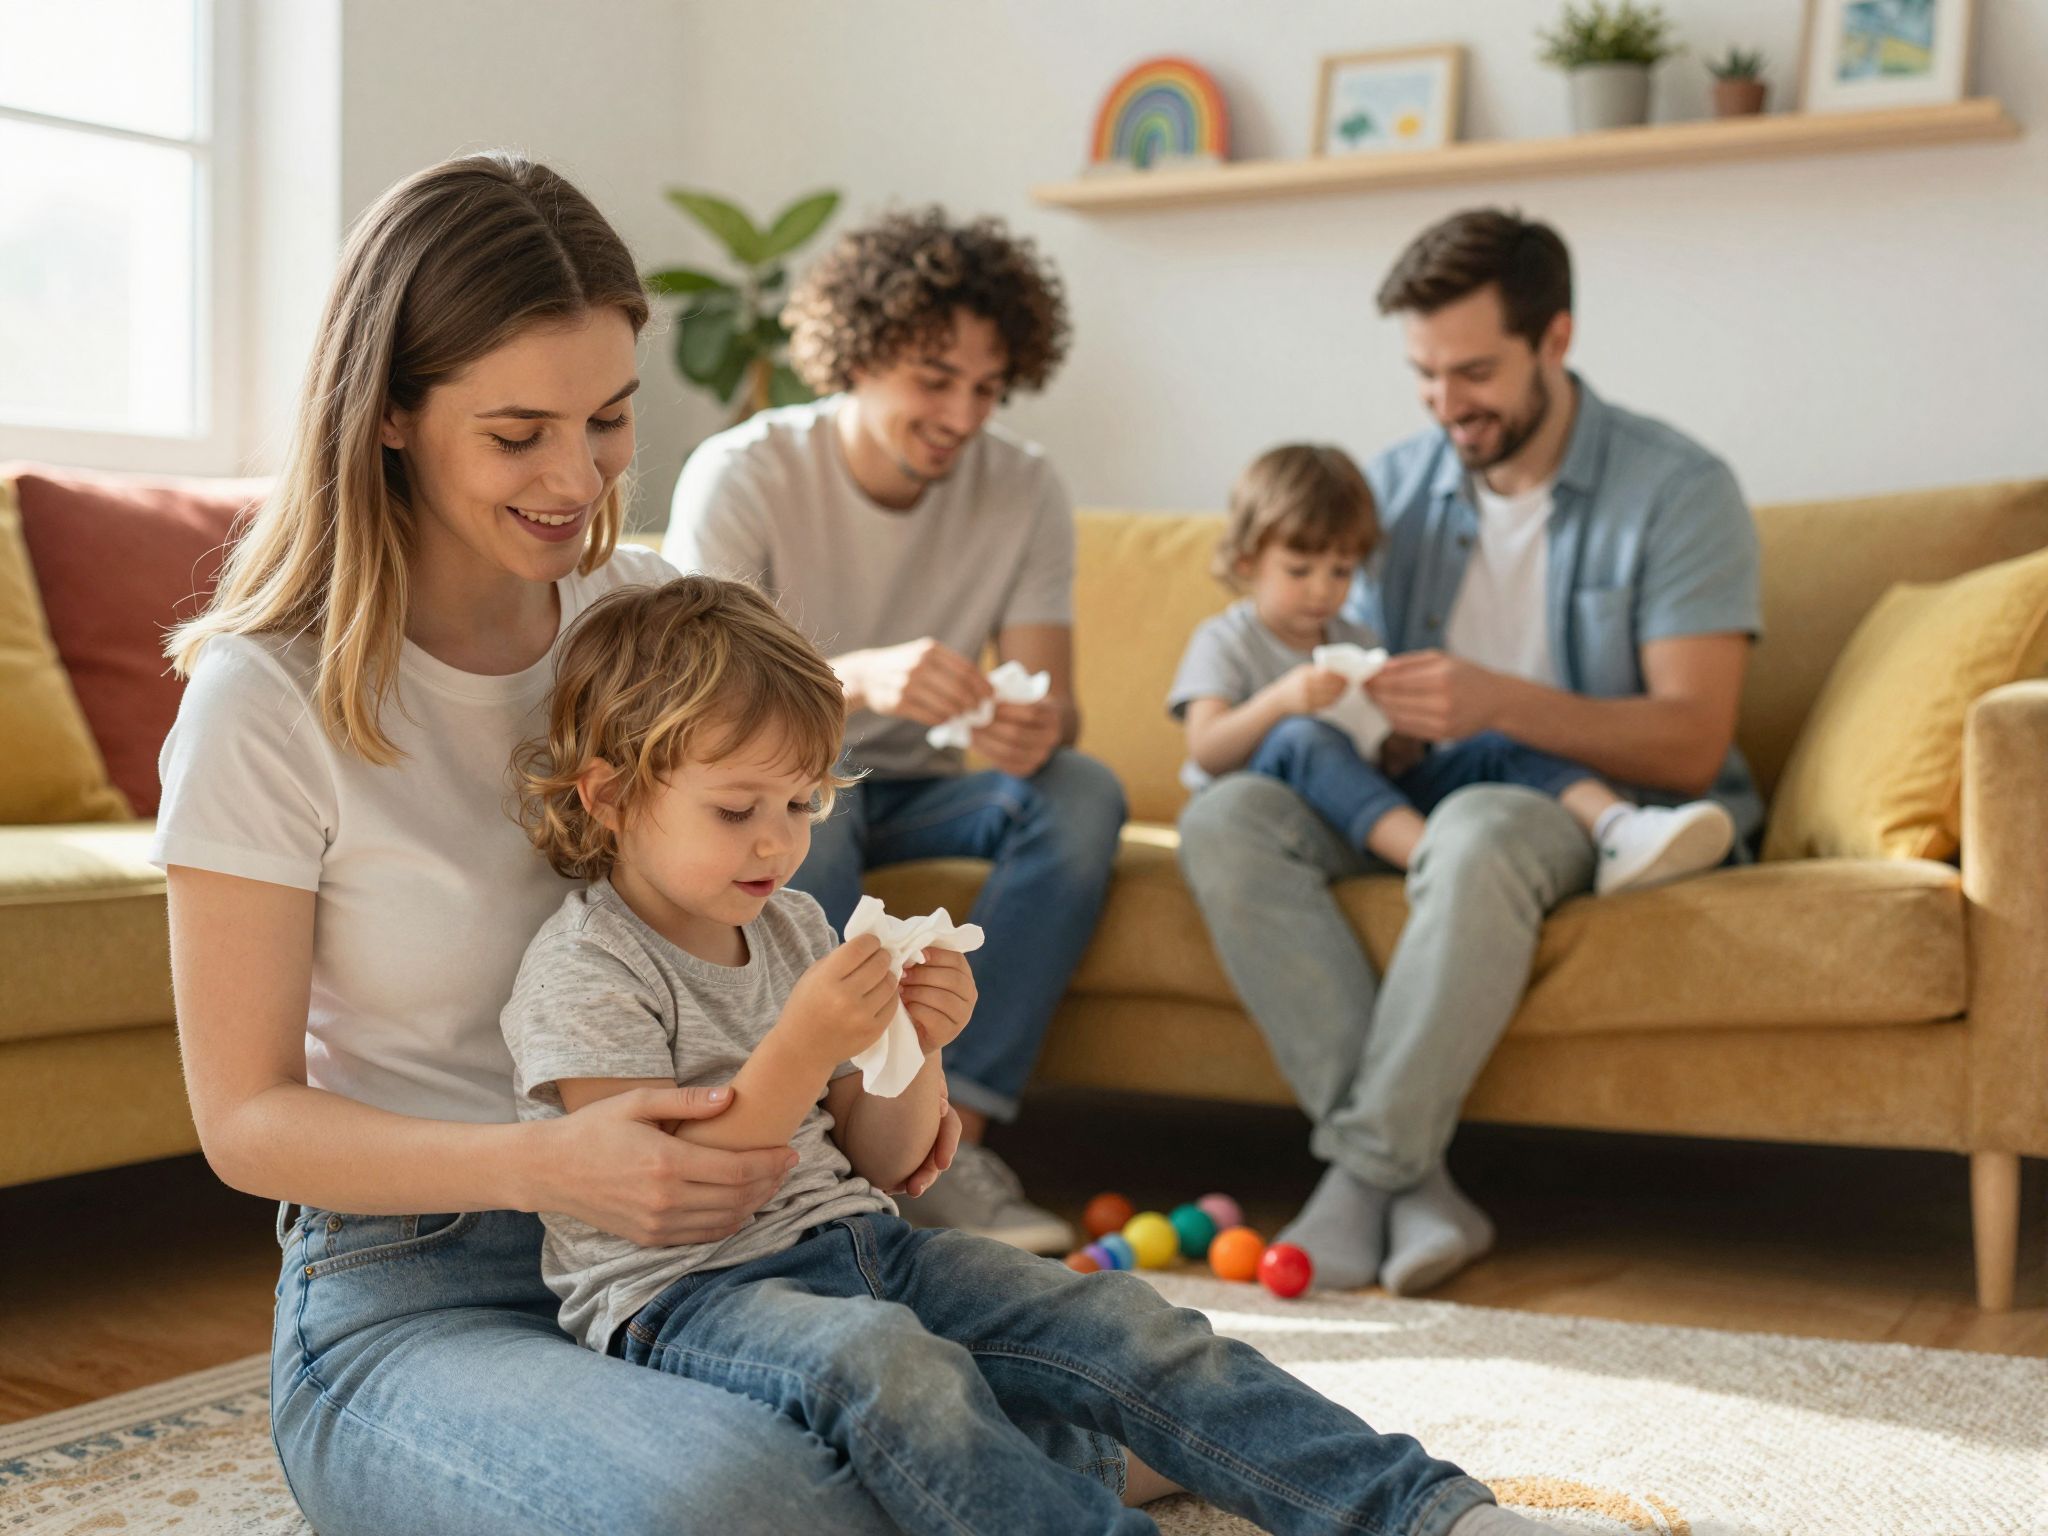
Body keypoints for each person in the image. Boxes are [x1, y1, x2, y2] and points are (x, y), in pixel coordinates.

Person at [151, 153, 1014, 1536]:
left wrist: (886, 1073)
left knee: (1100, 1374)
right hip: (419, 1286)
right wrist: (540, 1167)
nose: (576, 476)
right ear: (389, 413)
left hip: (718, 1257)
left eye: (607, 418)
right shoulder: (266, 698)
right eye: (517, 434)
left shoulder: (652, 619)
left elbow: (758, 929)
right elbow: (244, 1122)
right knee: (745, 1497)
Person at [497, 571, 1544, 1536]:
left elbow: (882, 1159)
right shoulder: (586, 968)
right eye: (736, 809)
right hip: (689, 1299)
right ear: (609, 795)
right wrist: (804, 1044)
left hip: (863, 1246)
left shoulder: (794, 928)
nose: (777, 841)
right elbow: (676, 1193)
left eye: (801, 803)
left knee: (1124, 1324)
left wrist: (917, 1046)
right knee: (891, 1366)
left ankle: (1425, 1512)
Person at [1178, 210, 1763, 1297]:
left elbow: (1691, 743)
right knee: (1223, 818)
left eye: (1475, 371)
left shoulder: (1677, 492)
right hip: (1407, 785)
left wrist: (1498, 701)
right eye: (1424, 374)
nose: (1447, 403)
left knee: (1478, 828)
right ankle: (1419, 1186)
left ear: (1554, 340)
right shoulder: (1394, 488)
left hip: (1575, 803)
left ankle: (1361, 1176)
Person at [665, 207, 1126, 1253]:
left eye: (986, 387)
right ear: (858, 355)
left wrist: (1032, 727)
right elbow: (692, 698)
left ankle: (958, 1141)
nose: (962, 414)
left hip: (929, 787)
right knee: (805, 819)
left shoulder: (1024, 486)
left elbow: (1060, 706)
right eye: (934, 378)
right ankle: (830, 1136)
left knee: (1081, 790)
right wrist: (858, 679)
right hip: (793, 778)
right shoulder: (745, 472)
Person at [1172, 442, 1735, 887]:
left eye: (1341, 572)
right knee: (1304, 737)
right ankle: (1437, 863)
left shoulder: (1356, 637)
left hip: (1371, 804)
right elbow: (1207, 750)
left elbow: (1385, 759)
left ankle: (1618, 827)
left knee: (1493, 737)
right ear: (1247, 562)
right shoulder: (1226, 640)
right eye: (1299, 571)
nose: (1323, 590)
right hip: (1287, 813)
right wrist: (1283, 699)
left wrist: (1399, 738)